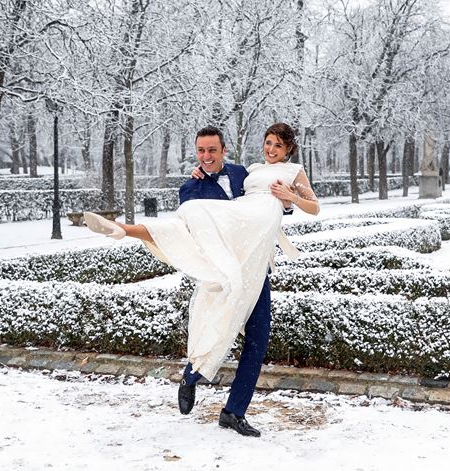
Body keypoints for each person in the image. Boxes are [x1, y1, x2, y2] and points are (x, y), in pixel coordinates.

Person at [83, 123, 320, 438]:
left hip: (254, 262)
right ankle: (126, 230)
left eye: (277, 145)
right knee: (216, 322)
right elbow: (192, 230)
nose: (271, 149)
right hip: (219, 267)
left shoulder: (242, 173)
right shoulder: (192, 188)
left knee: (258, 339)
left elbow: (291, 205)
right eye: (201, 151)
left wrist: (289, 198)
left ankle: (234, 412)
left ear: (224, 150)